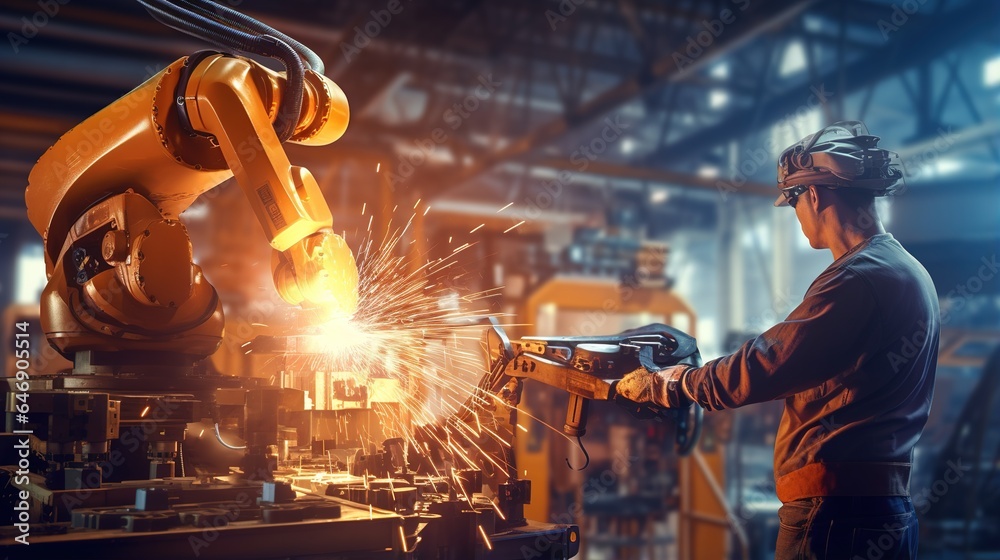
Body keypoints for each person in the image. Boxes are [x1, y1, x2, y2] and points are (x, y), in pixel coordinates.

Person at [615, 121, 940, 559]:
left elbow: (769, 364)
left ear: (816, 194)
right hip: (882, 510)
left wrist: (676, 383)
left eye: (793, 201)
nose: (796, 214)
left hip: (835, 516)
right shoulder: (907, 271)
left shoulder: (858, 278)